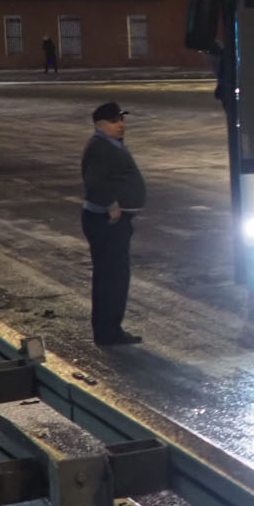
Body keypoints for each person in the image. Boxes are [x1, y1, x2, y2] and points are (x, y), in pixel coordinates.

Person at [81, 101, 147, 345]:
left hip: (110, 222)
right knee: (111, 278)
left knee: (113, 277)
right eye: (114, 121)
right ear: (100, 125)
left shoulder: (110, 144)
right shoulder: (100, 147)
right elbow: (94, 182)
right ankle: (108, 332)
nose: (121, 125)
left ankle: (109, 329)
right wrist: (112, 207)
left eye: (121, 120)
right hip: (106, 223)